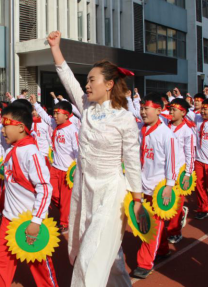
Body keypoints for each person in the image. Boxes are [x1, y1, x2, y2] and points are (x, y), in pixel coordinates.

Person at [48, 31, 142, 287]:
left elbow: (132, 160)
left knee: (90, 258)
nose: (87, 85)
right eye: (86, 81)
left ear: (109, 84)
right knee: (110, 255)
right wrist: (55, 48)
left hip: (110, 193)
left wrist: (136, 199)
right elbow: (68, 79)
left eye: (92, 80)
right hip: (84, 190)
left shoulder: (124, 118)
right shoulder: (87, 108)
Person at [0, 84, 58, 287]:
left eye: (7, 126)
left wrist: (36, 221)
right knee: (1, 264)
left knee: (41, 268)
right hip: (9, 220)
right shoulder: (10, 145)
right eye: (3, 126)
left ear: (21, 128)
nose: (2, 130)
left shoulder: (31, 153)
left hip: (30, 222)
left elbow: (45, 187)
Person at [133, 93, 179, 279]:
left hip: (158, 188)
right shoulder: (140, 130)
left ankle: (144, 263)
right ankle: (163, 249)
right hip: (141, 185)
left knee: (151, 226)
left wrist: (169, 185)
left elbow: (172, 162)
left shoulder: (166, 134)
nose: (143, 112)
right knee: (148, 224)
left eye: (147, 109)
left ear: (159, 110)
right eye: (142, 108)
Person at [33, 97, 79, 232]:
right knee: (52, 194)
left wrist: (76, 167)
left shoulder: (73, 130)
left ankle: (65, 223)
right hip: (55, 168)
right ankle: (70, 212)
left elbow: (78, 151)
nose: (54, 116)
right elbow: (44, 117)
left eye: (57, 114)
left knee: (65, 199)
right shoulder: (54, 124)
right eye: (53, 113)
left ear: (66, 115)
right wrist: (35, 103)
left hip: (68, 171)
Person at [166, 99, 196, 245]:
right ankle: (180, 215)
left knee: (177, 203)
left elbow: (190, 154)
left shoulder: (187, 131)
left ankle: (175, 231)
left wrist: (188, 173)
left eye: (174, 110)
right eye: (170, 110)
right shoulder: (166, 127)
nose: (170, 112)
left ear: (183, 113)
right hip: (165, 171)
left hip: (179, 173)